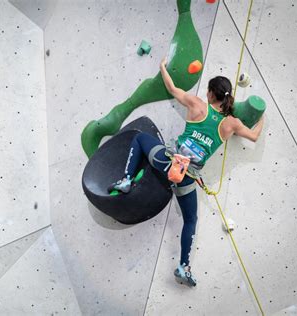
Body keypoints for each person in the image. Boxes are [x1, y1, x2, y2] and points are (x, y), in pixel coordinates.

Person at [108, 57, 265, 287]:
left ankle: (126, 180)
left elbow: (172, 88)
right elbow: (254, 136)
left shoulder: (197, 105)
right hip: (186, 178)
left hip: (166, 162)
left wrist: (162, 66)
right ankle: (183, 266)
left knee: (140, 138)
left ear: (211, 94)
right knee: (190, 220)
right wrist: (261, 118)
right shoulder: (231, 124)